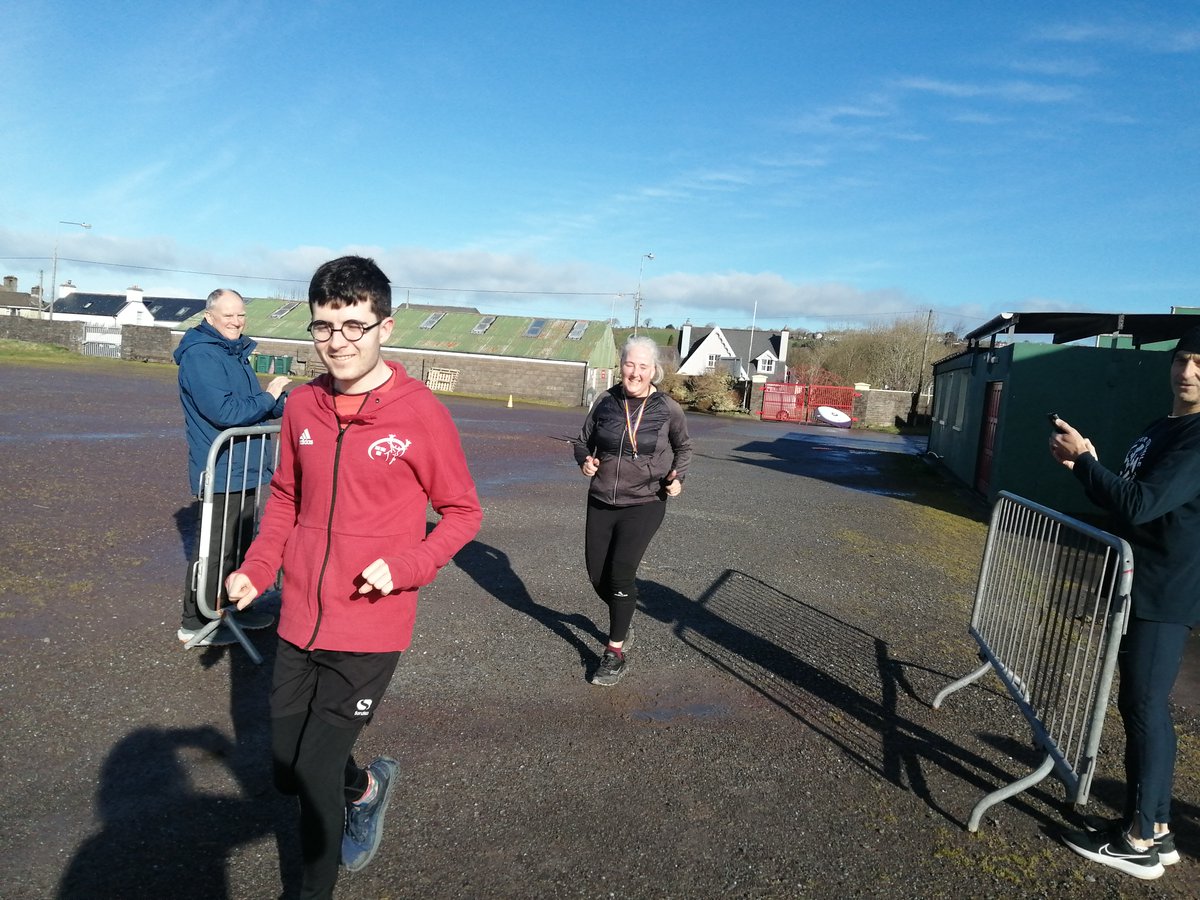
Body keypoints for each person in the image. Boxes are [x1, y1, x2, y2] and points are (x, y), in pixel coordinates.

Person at [225, 255, 482, 899]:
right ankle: (366, 787)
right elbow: (285, 497)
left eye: (353, 325)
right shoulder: (304, 407)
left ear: (384, 328)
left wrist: (406, 565)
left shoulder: (420, 413)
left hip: (370, 628)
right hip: (299, 619)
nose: (337, 341)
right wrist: (258, 568)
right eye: (323, 326)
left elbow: (462, 513)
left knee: (312, 774)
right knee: (285, 767)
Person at [1050, 326, 1200, 881]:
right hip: (1142, 581)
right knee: (1142, 706)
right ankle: (1156, 829)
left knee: (1143, 708)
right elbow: (1131, 501)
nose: (1187, 372)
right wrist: (1083, 468)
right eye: (1183, 359)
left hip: (1165, 590)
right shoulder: (1166, 426)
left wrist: (1088, 462)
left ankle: (1138, 841)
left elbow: (1141, 505)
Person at [574, 335, 692, 686]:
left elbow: (684, 447)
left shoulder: (667, 408)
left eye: (643, 366)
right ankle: (623, 621)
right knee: (598, 576)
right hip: (601, 500)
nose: (635, 372)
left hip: (644, 502)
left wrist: (677, 477)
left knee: (622, 572)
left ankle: (614, 652)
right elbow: (583, 442)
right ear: (621, 366)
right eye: (629, 364)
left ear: (654, 370)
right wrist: (585, 461)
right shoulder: (605, 401)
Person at [174, 288, 290, 646]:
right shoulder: (202, 356)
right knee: (214, 548)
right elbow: (224, 412)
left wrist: (284, 402)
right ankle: (196, 621)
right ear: (209, 317)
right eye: (229, 315)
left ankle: (235, 607)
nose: (237, 322)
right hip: (221, 465)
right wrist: (269, 397)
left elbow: (250, 404)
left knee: (241, 543)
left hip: (245, 464)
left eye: (241, 315)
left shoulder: (232, 351)